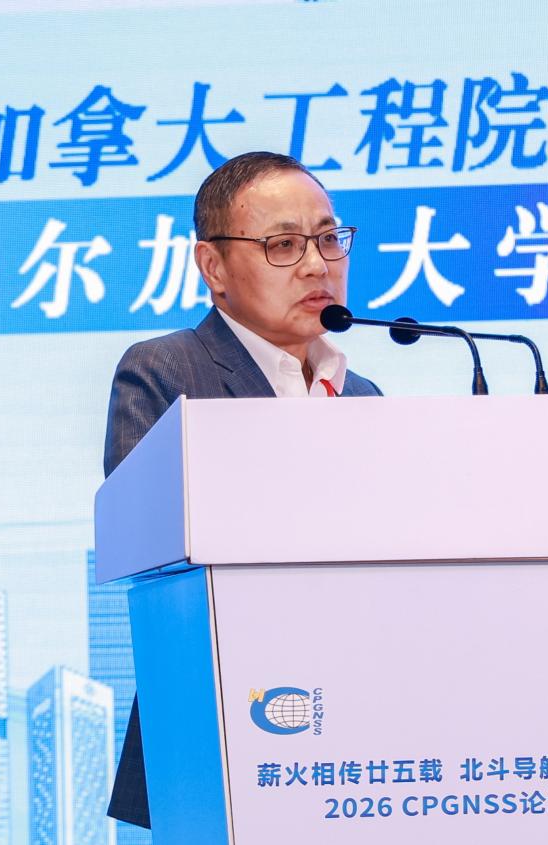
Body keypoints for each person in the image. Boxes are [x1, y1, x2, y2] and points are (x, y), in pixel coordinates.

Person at [103, 151, 382, 828]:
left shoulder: (363, 396)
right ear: (214, 267)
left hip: (354, 732)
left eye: (328, 239)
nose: (317, 265)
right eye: (283, 245)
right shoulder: (166, 371)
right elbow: (149, 540)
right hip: (209, 738)